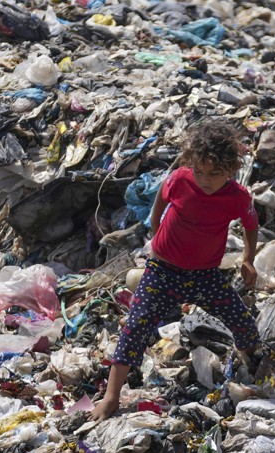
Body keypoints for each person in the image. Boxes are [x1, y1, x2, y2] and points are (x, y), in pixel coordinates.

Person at [91, 118, 261, 421]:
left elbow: (251, 225)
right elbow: (161, 198)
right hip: (163, 271)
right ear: (190, 163)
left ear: (231, 170)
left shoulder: (237, 197)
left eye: (215, 173)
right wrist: (156, 231)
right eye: (200, 170)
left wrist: (248, 258)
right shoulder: (180, 179)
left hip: (205, 275)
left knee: (243, 322)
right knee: (135, 327)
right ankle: (111, 397)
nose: (205, 180)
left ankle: (253, 364)